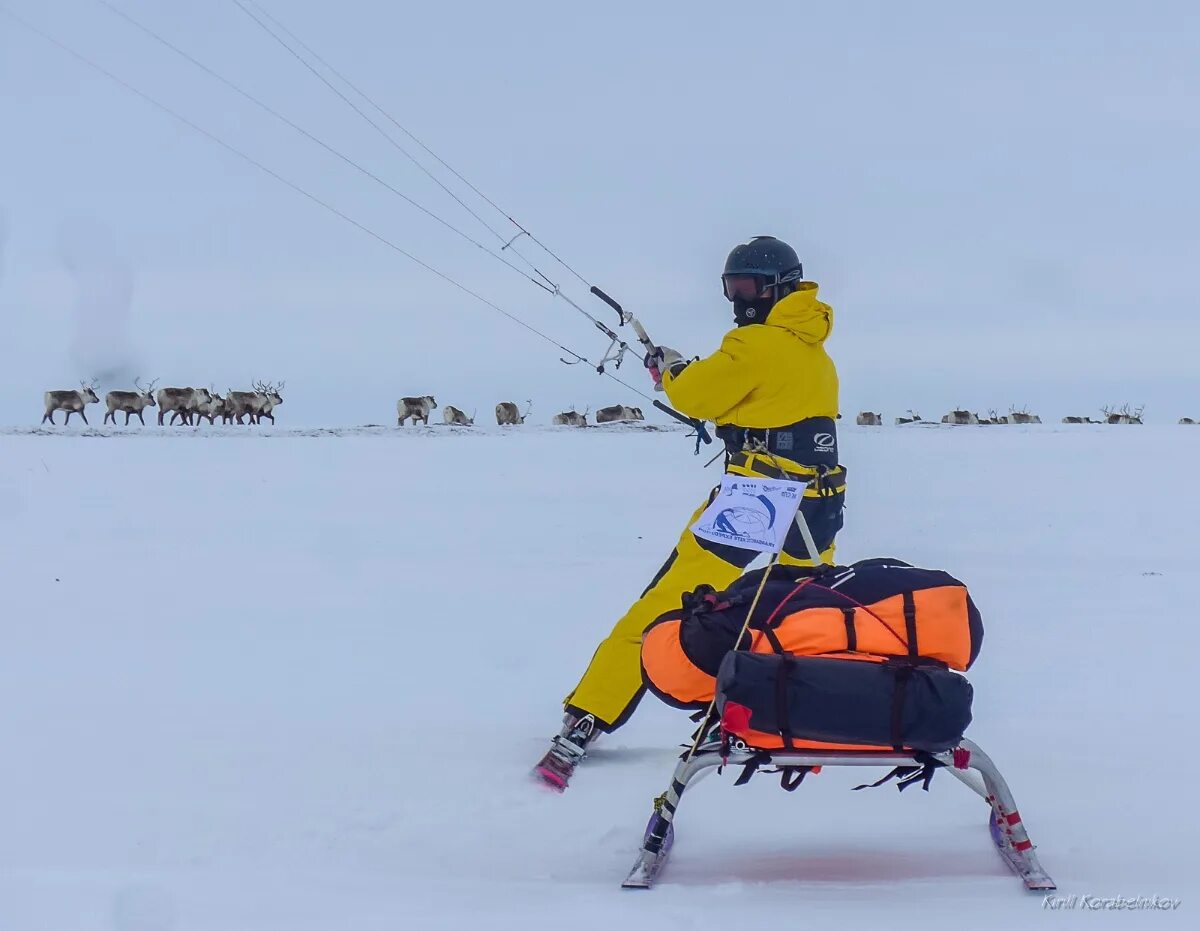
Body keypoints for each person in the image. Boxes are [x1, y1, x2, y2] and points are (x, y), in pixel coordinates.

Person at [534, 236, 847, 789]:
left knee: (664, 606)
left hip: (758, 501)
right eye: (732, 286)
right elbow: (746, 394)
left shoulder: (755, 343)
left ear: (775, 287)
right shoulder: (813, 348)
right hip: (819, 505)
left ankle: (589, 713)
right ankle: (804, 713)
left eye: (746, 286)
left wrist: (672, 368)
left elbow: (697, 396)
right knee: (795, 616)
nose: (738, 298)